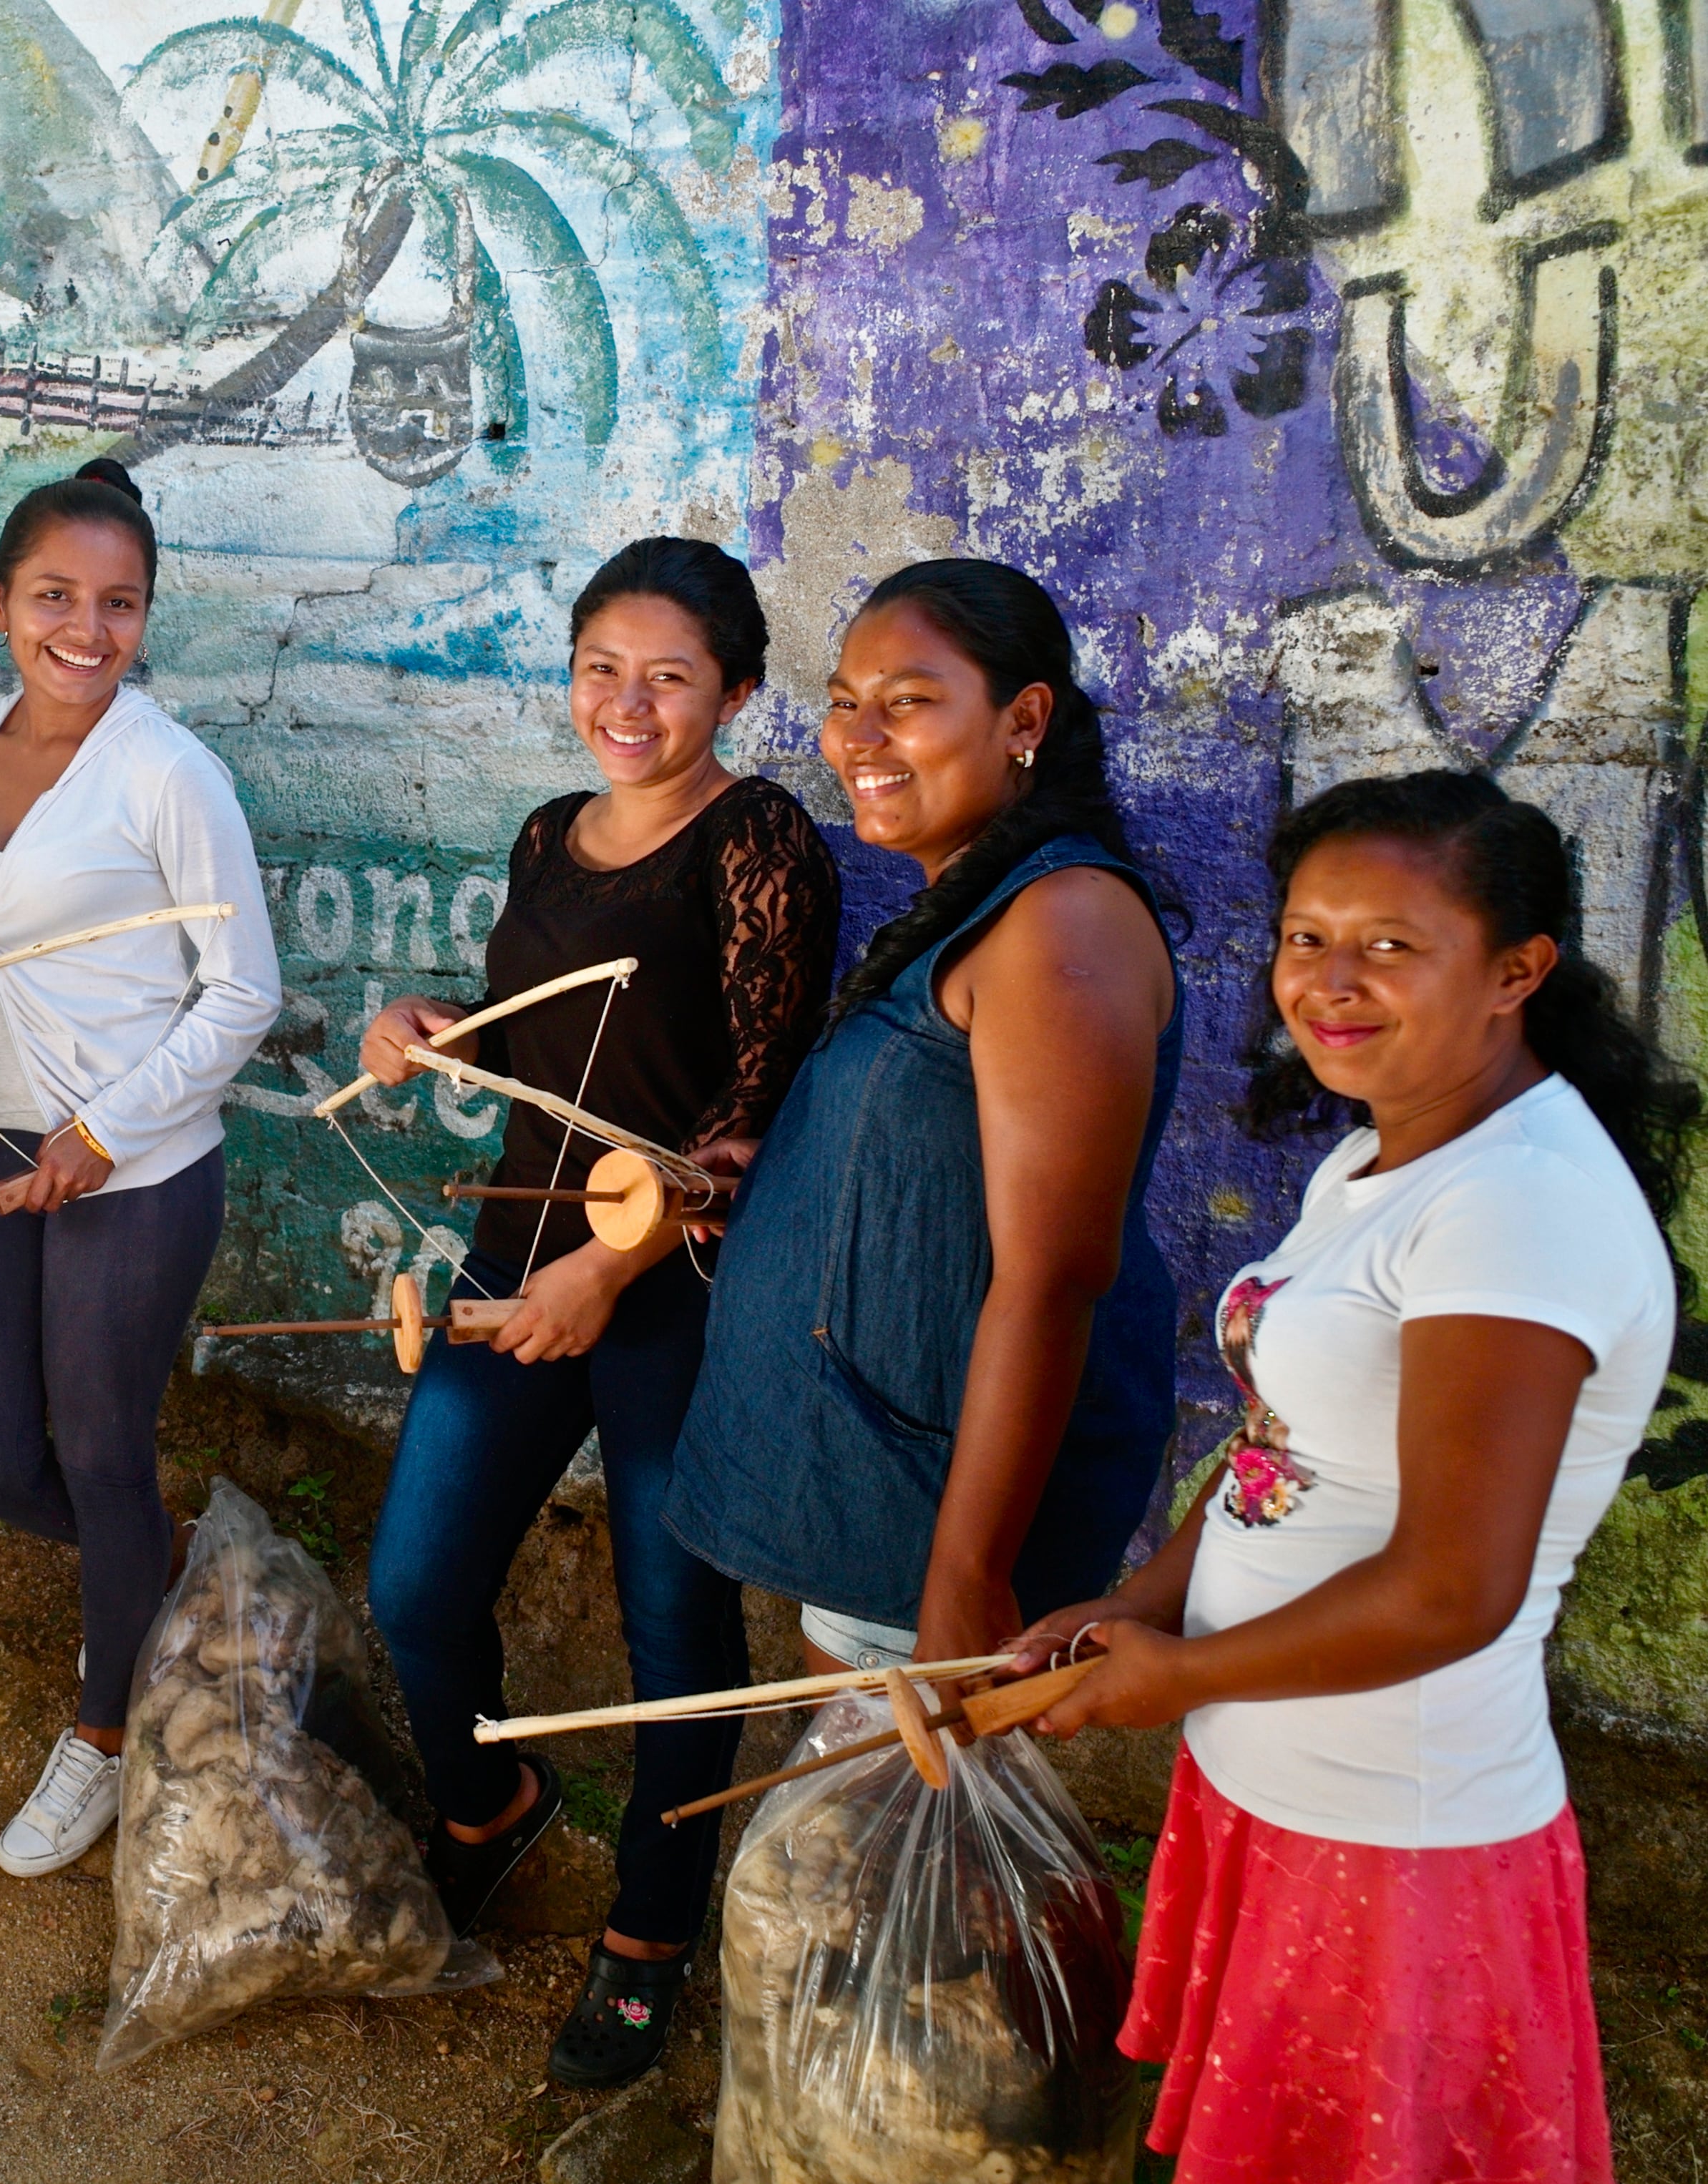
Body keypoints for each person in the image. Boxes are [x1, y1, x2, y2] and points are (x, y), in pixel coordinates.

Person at [1017, 773, 1681, 2184]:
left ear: (1515, 972)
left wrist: (1172, 1676)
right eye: (1304, 938)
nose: (1328, 982)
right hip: (1280, 1790)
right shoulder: (1389, 1152)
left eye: (1388, 944)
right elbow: (1279, 1447)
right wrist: (1133, 1603)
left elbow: (1452, 1590)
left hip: (1391, 1836)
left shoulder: (1517, 1209)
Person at [353, 538, 839, 2090]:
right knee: (416, 1585)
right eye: (599, 670)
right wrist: (427, 1026)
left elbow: (761, 1109)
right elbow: (551, 1040)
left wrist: (611, 1268)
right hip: (512, 1247)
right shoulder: (546, 835)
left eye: (669, 678)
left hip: (671, 1289)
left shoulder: (757, 838)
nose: (626, 704)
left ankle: (647, 1929)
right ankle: (491, 1810)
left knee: (671, 1631)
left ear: (737, 693)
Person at [0, 458, 283, 1879]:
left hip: (138, 1163)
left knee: (100, 1449)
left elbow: (239, 994)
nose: (84, 629)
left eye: (117, 603)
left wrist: (104, 1133)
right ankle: (169, 1566)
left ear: (143, 617)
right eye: (53, 596)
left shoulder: (168, 771)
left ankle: (102, 1734)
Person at [667, 558, 1183, 1676]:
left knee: (904, 1843)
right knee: (882, 1844)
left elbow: (1055, 1276)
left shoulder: (1064, 926)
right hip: (892, 1500)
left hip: (942, 1525)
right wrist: (788, 1179)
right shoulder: (986, 904)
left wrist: (967, 1571)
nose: (857, 735)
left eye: (906, 700)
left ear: (1024, 719)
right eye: (846, 700)